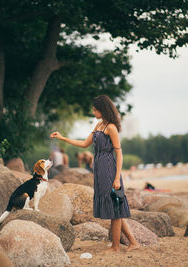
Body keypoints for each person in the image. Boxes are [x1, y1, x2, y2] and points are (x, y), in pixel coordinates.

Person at [50, 95, 140, 253]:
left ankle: (116, 246)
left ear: (102, 109)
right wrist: (62, 138)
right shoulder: (99, 124)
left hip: (109, 168)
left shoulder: (111, 127)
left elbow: (119, 154)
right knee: (115, 207)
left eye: (95, 109)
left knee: (114, 206)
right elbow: (84, 144)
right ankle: (133, 242)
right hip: (99, 168)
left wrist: (117, 177)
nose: (93, 111)